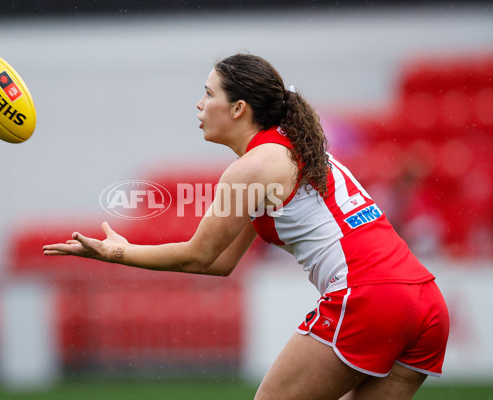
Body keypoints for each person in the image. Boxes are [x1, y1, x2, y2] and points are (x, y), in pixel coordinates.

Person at [43, 54, 449, 400]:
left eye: (209, 94)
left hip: (370, 298)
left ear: (238, 108)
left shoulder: (252, 168)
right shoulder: (287, 150)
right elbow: (220, 263)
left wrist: (115, 252)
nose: (199, 105)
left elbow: (197, 256)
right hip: (426, 303)